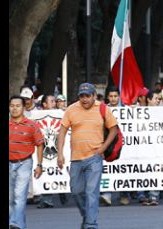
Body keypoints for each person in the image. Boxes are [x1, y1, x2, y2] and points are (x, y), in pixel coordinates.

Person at [56, 83, 118, 229]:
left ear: (94, 96)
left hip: (94, 157)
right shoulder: (71, 109)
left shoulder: (103, 108)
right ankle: (87, 216)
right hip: (76, 158)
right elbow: (62, 132)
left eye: (88, 96)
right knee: (76, 191)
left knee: (91, 192)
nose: (84, 99)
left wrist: (102, 148)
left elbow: (114, 129)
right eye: (82, 96)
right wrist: (60, 154)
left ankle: (91, 224)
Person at [9, 95, 45, 229]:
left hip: (24, 162)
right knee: (11, 199)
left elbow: (40, 144)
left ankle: (14, 224)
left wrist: (39, 165)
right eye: (12, 106)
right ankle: (20, 225)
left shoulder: (32, 125)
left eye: (18, 106)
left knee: (19, 195)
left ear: (24, 108)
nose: (14, 108)